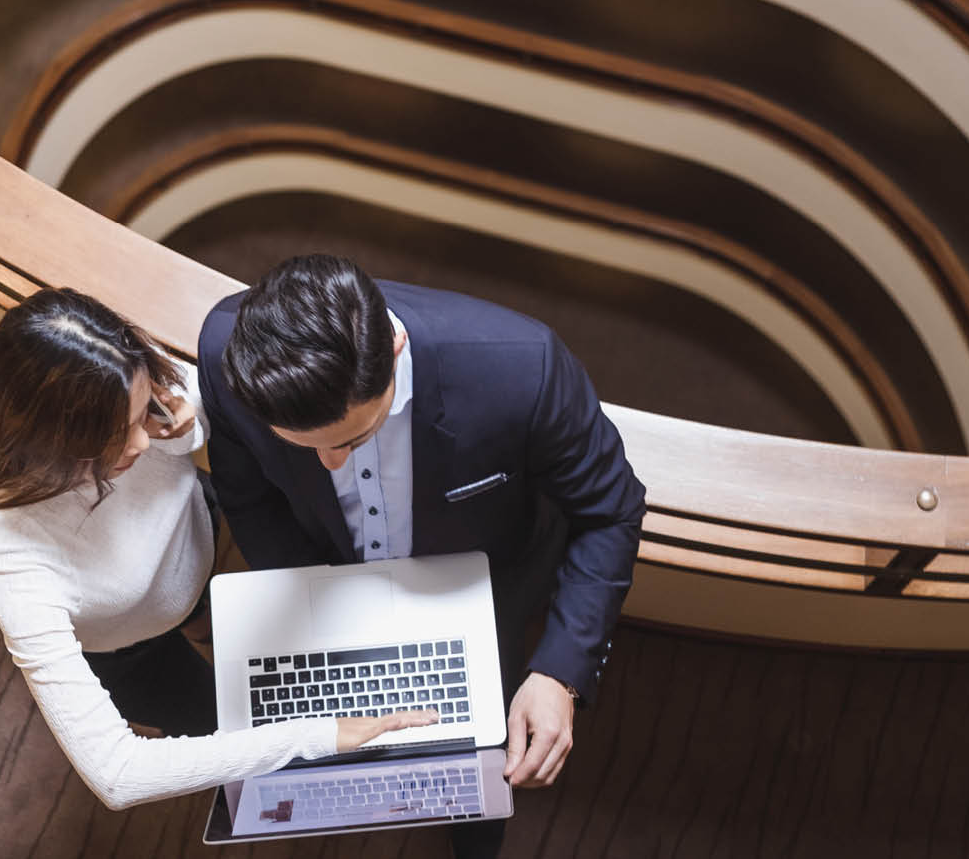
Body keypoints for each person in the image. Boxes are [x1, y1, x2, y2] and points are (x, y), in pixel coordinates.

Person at [197, 256, 646, 852]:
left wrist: (560, 673)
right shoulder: (224, 351)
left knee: (480, 763)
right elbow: (250, 498)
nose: (331, 463)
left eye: (352, 440)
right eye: (305, 447)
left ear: (397, 344)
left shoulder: (522, 366)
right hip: (330, 579)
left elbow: (610, 510)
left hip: (482, 590)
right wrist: (314, 612)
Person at [0, 287, 435, 811]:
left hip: (198, 553)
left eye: (142, 412)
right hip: (127, 648)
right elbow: (118, 775)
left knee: (221, 620)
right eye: (112, 439)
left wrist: (189, 423)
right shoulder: (6, 546)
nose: (142, 445)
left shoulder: (147, 395)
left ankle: (202, 620)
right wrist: (317, 736)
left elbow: (218, 399)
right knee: (215, 721)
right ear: (48, 442)